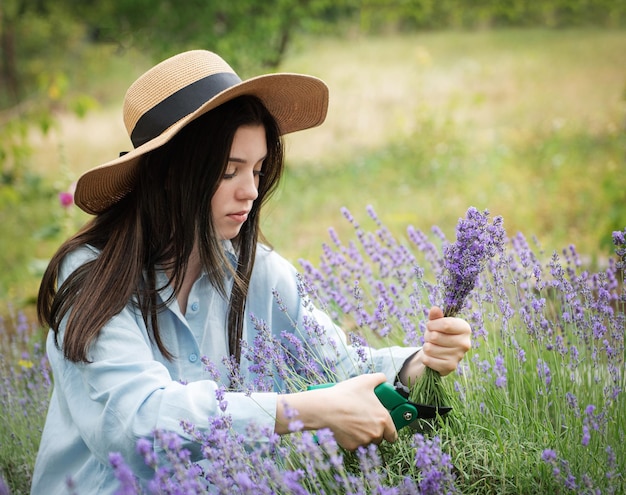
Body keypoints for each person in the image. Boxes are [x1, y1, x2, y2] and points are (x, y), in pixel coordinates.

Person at [31, 50, 471, 494]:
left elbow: (341, 364)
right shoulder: (93, 276)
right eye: (227, 171)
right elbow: (137, 423)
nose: (252, 191)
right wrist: (300, 411)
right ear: (167, 175)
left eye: (258, 169)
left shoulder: (257, 271)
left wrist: (421, 362)